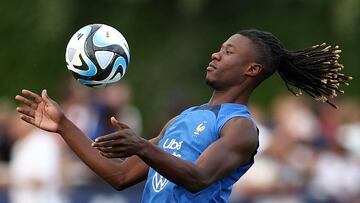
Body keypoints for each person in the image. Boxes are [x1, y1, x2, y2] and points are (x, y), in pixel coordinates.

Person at [15, 29, 352, 202]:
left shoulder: (240, 128)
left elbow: (198, 178)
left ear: (252, 69)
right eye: (220, 49)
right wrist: (63, 125)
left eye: (228, 51)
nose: (216, 54)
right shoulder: (183, 119)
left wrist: (143, 147)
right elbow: (119, 177)